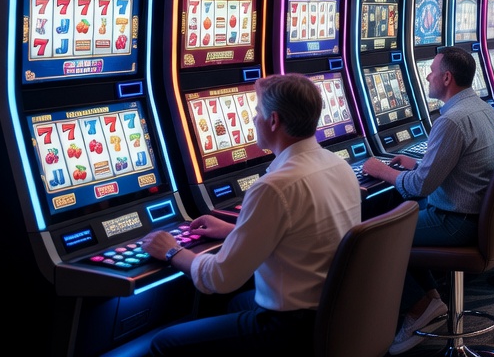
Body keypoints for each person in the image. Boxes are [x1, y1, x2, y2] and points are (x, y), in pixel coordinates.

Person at [142, 74, 361, 357]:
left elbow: (219, 278)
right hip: (335, 312)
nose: (253, 119)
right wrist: (233, 231)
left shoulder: (274, 187)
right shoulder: (338, 165)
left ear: (274, 121)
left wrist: (171, 251)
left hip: (291, 328)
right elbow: (304, 234)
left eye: (257, 112)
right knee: (234, 304)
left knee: (164, 342)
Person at [359, 48, 494, 353]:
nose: (427, 75)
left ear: (447, 78)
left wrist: (380, 169)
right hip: (479, 214)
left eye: (433, 70)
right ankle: (429, 300)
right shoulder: (481, 108)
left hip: (456, 221)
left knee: (371, 239)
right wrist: (417, 164)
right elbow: (449, 168)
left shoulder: (451, 120)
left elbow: (418, 188)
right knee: (394, 214)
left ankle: (417, 309)